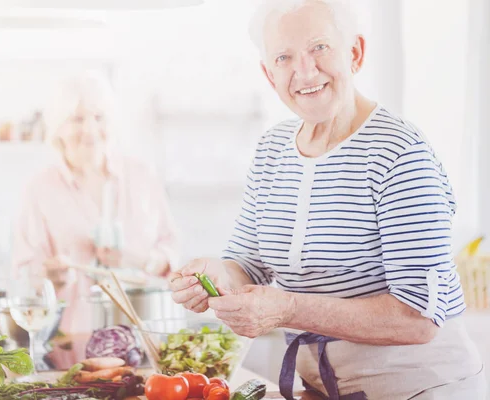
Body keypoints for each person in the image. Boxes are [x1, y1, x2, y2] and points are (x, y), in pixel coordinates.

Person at [169, 0, 486, 398]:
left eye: (319, 47)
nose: (304, 71)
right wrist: (214, 276)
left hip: (420, 388)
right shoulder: (272, 150)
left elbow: (417, 318)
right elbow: (248, 264)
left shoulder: (398, 152)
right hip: (323, 386)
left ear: (354, 53)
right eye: (284, 57)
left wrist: (286, 309)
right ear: (269, 74)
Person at [13, 73, 179, 334]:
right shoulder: (40, 189)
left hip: (148, 333)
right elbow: (24, 276)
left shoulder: (142, 176)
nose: (90, 129)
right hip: (72, 343)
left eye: (99, 117)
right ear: (58, 126)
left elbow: (173, 254)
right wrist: (51, 278)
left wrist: (141, 260)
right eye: (77, 119)